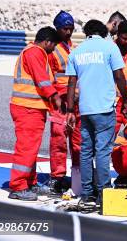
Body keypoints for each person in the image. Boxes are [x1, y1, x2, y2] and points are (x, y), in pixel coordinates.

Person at [65, 20, 127, 203]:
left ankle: (87, 193)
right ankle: (103, 192)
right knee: (102, 151)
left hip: (85, 110)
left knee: (86, 151)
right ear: (103, 32)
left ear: (87, 33)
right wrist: (125, 99)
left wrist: (70, 109)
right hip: (104, 109)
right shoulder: (110, 48)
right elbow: (119, 76)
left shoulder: (77, 51)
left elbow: (71, 82)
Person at [8, 27, 62, 201]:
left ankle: (30, 183)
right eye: (52, 46)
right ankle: (18, 186)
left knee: (31, 148)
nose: (53, 50)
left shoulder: (34, 52)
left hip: (31, 107)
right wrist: (54, 96)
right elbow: (42, 79)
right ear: (47, 42)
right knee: (26, 148)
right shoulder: (35, 52)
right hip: (27, 108)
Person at [47, 11, 81, 195]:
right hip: (60, 103)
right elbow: (49, 78)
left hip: (75, 103)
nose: (68, 32)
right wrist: (59, 97)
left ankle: (77, 174)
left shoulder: (72, 48)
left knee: (77, 141)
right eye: (65, 29)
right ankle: (57, 177)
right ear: (57, 28)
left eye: (70, 29)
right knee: (58, 140)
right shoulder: (52, 50)